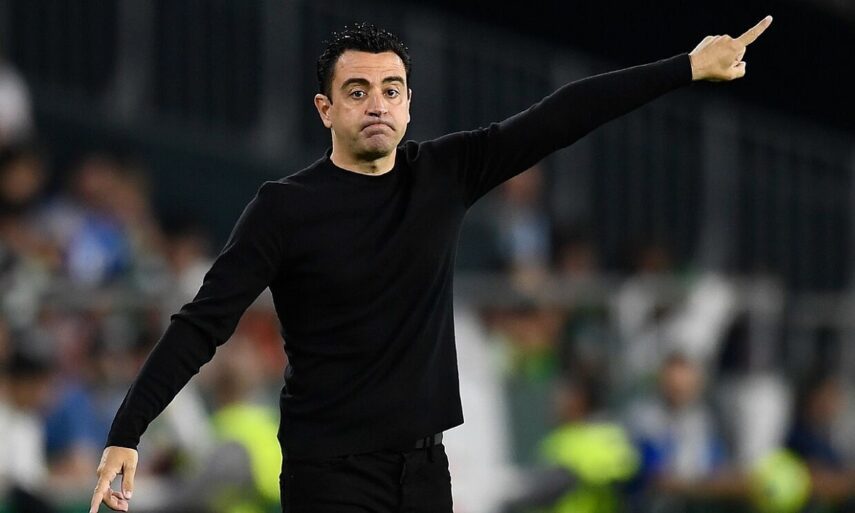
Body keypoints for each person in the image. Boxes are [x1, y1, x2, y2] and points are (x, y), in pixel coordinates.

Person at [90, 16, 773, 513]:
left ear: (410, 103)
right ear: (325, 109)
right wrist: (127, 430)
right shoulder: (284, 208)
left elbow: (562, 115)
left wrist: (685, 66)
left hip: (423, 470)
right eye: (358, 91)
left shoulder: (443, 173)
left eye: (392, 89)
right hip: (328, 475)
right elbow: (203, 322)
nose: (377, 104)